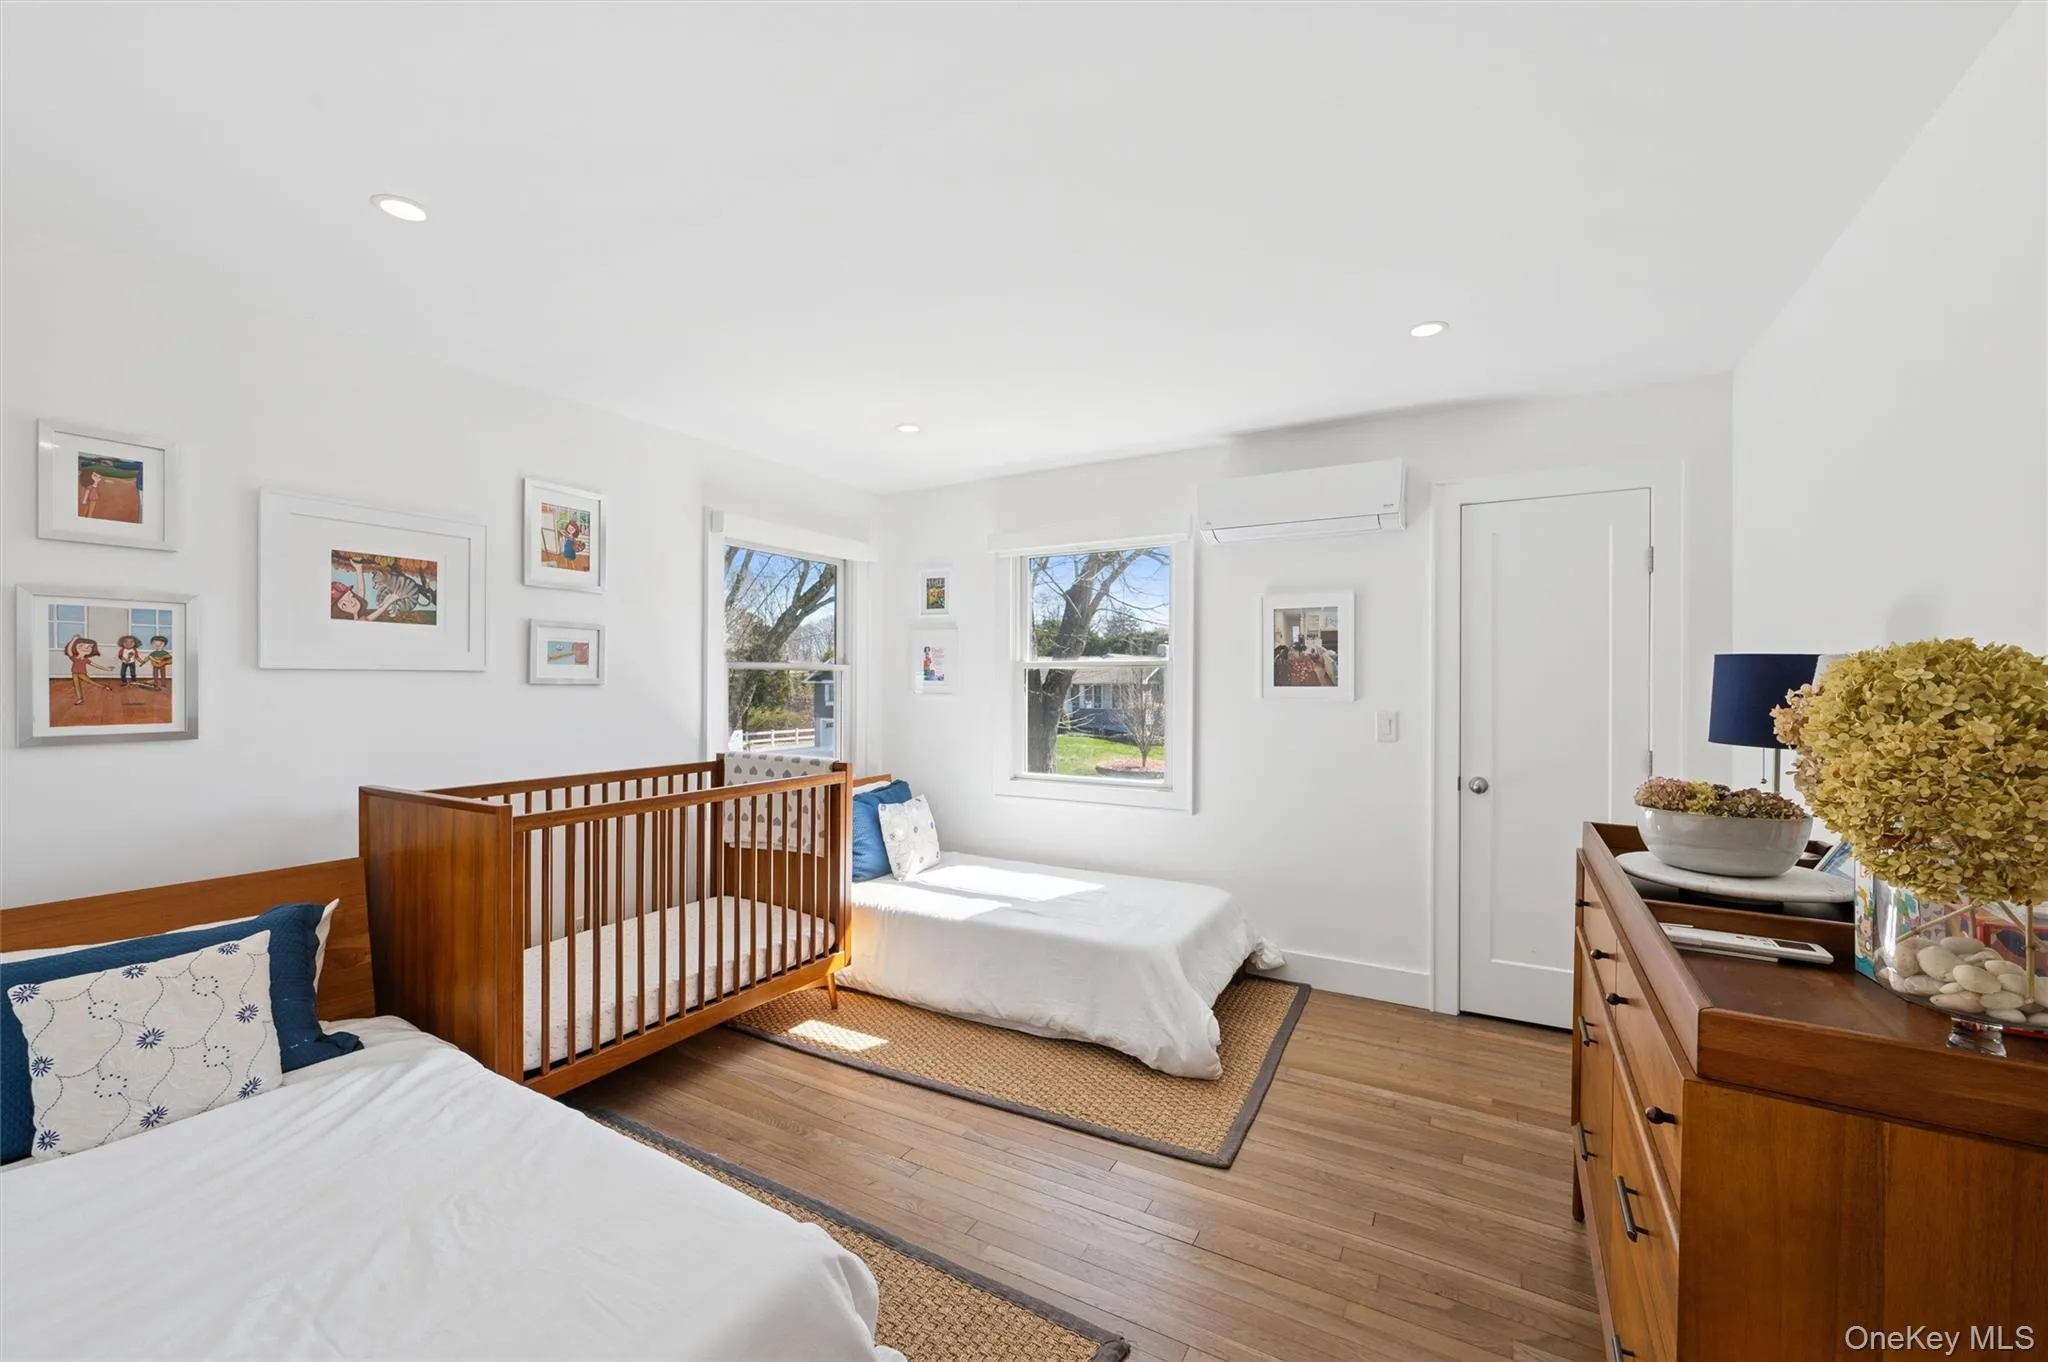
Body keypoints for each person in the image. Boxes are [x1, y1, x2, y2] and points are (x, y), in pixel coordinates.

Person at [62, 636, 107, 706]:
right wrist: (73, 640)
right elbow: (69, 650)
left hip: (81, 673)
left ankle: (104, 687)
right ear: (75, 647)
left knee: (90, 681)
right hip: (74, 673)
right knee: (76, 685)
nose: (85, 648)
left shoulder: (86, 660)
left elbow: (95, 665)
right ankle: (80, 699)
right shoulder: (74, 658)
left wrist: (106, 669)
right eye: (81, 646)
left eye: (89, 647)